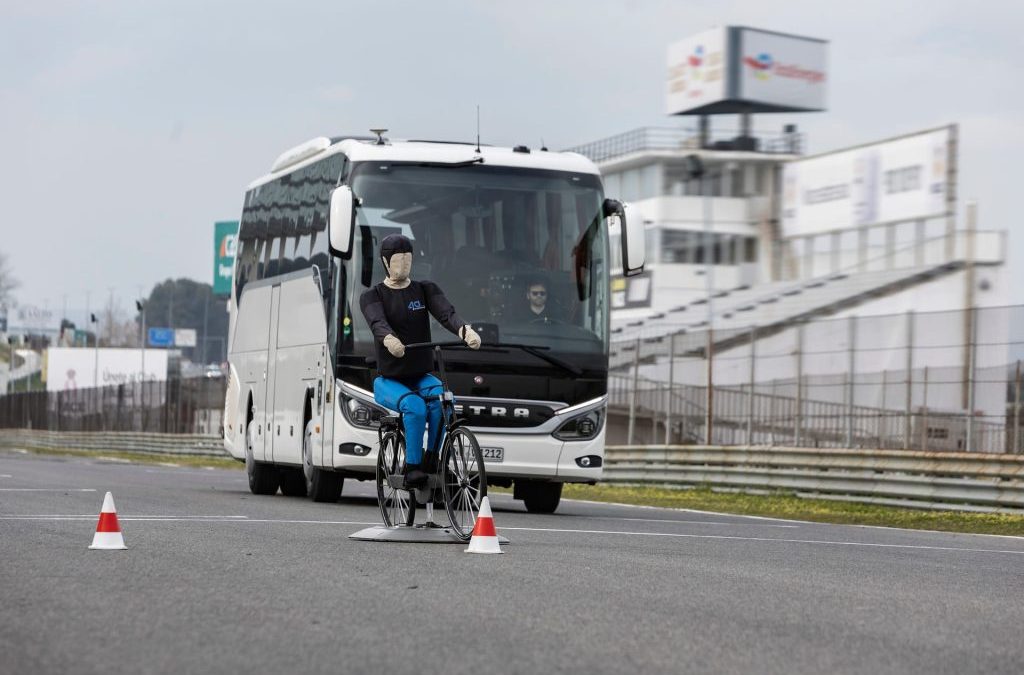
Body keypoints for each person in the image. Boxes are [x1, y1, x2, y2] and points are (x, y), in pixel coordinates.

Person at [359, 234, 481, 487]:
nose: (403, 265)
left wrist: (465, 331)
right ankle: (412, 467)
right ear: (385, 262)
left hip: (420, 375)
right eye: (398, 260)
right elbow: (377, 322)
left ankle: (432, 460)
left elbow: (446, 313)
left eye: (407, 260)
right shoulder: (373, 295)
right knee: (415, 407)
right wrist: (389, 339)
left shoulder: (424, 289)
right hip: (389, 380)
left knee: (445, 402)